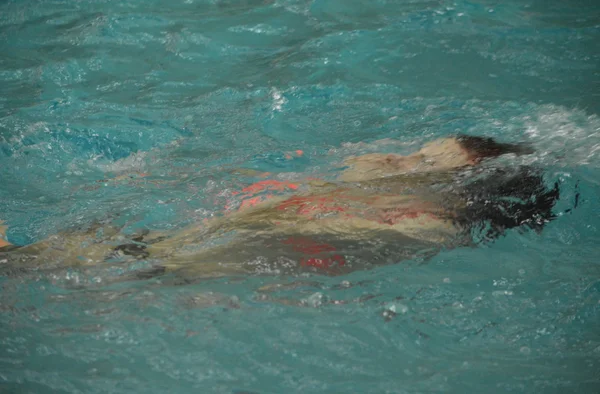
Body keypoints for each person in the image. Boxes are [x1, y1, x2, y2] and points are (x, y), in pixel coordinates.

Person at [0, 135, 559, 279]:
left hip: (150, 276)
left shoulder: (417, 228)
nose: (390, 156)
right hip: (146, 261)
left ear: (451, 194)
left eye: (411, 160)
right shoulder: (370, 206)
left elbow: (244, 254)